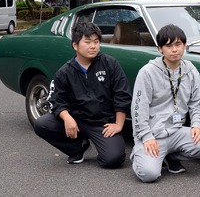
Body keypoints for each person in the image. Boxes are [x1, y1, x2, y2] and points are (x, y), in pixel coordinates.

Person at [33, 22, 132, 167]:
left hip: (102, 123)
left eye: (96, 42)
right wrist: (67, 118)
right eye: (87, 42)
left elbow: (122, 94)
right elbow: (56, 99)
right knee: (42, 124)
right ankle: (78, 148)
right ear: (75, 45)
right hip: (76, 119)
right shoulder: (65, 72)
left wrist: (118, 124)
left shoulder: (110, 64)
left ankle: (103, 145)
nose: (93, 46)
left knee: (113, 159)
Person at [131, 24, 200, 183]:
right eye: (169, 45)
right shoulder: (147, 72)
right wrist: (146, 137)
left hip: (175, 131)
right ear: (160, 49)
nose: (175, 50)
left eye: (178, 44)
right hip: (152, 133)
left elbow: (197, 103)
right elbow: (139, 110)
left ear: (184, 46)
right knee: (149, 174)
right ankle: (139, 153)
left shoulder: (190, 70)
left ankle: (170, 156)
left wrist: (196, 125)